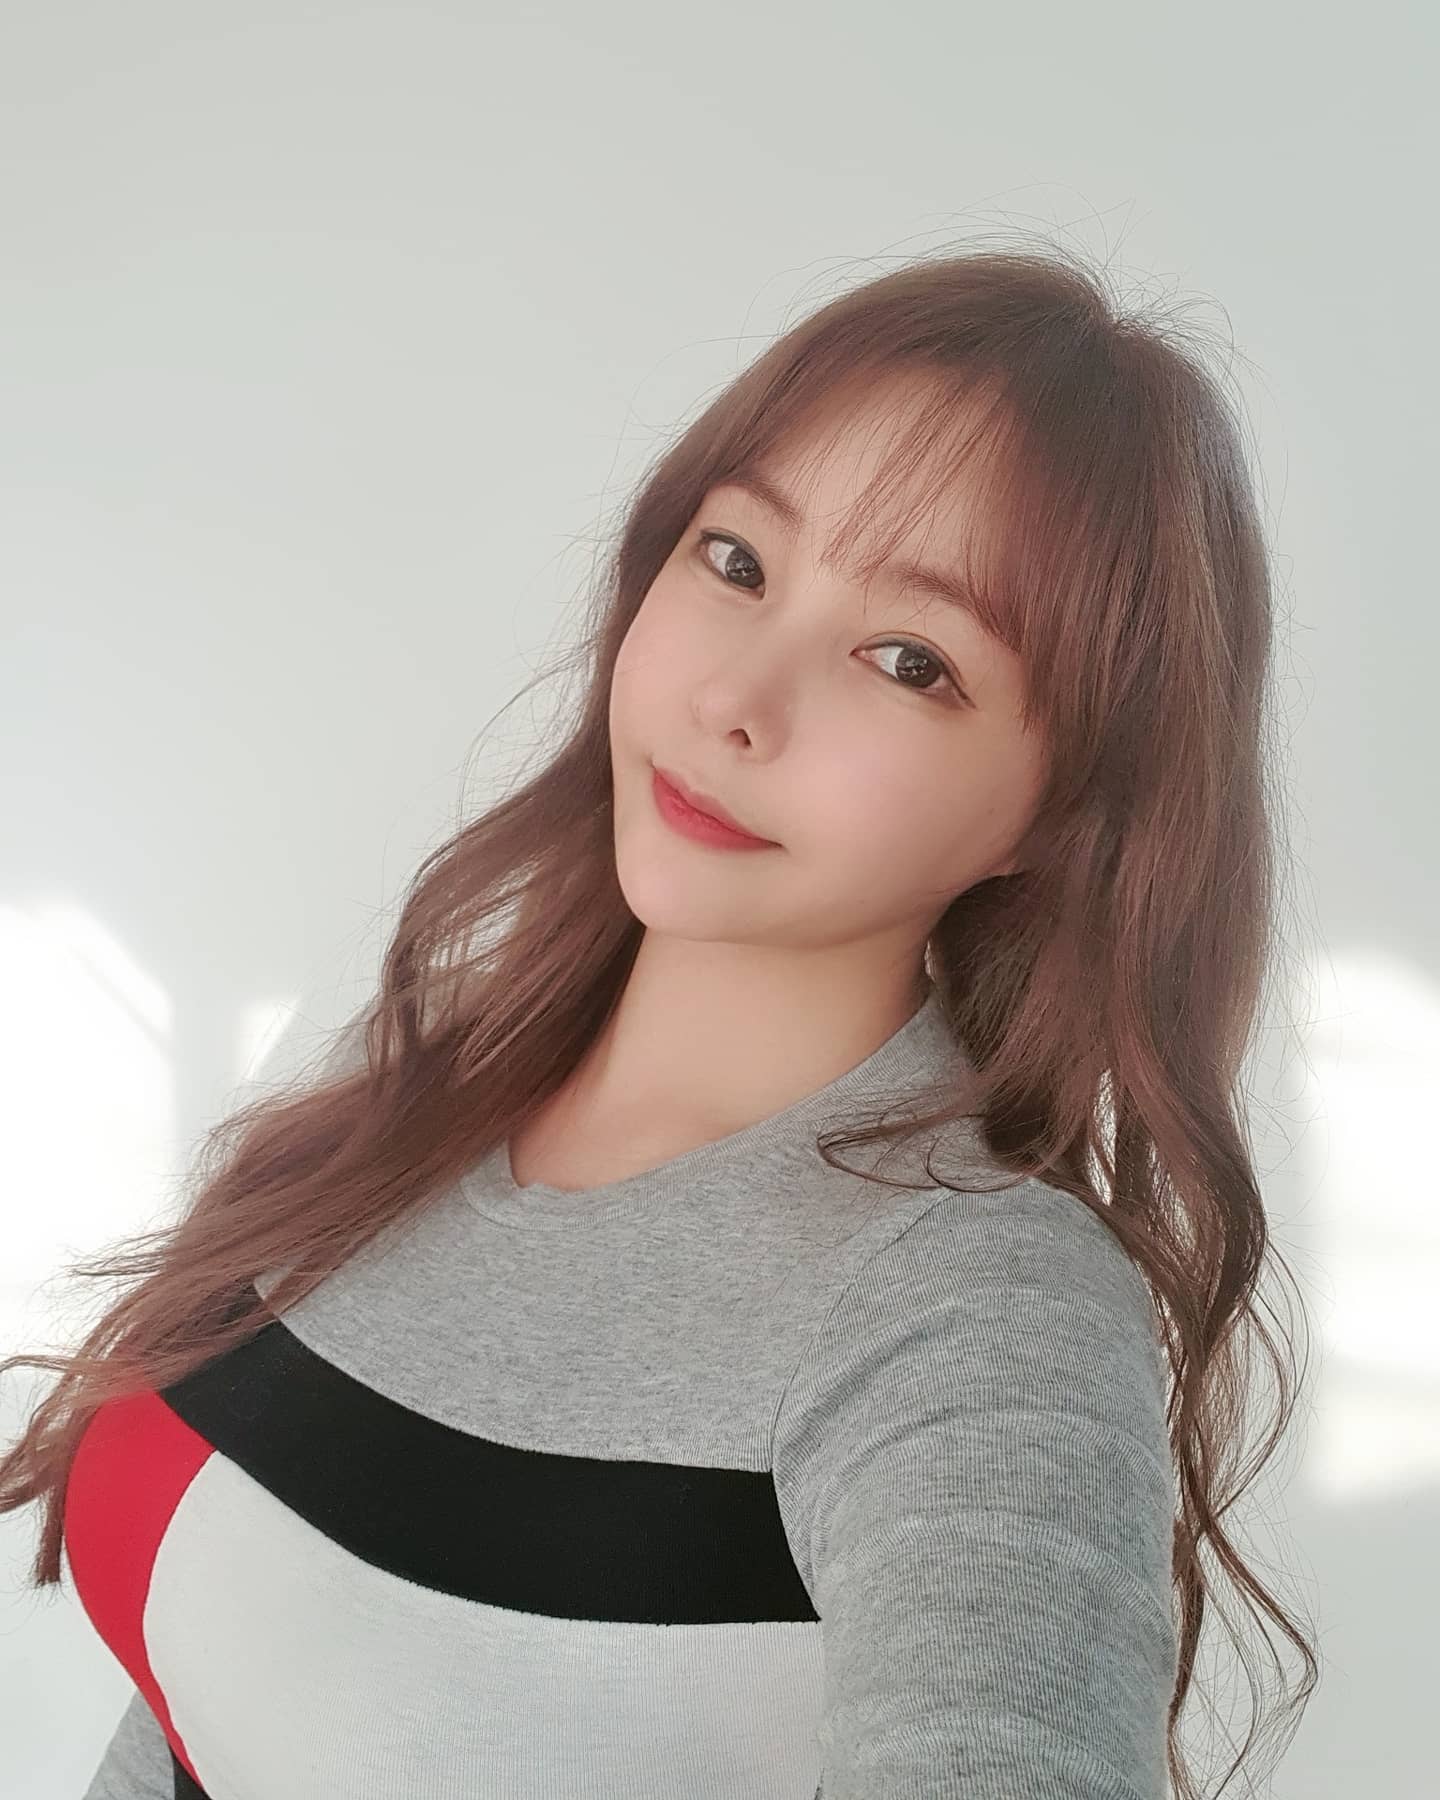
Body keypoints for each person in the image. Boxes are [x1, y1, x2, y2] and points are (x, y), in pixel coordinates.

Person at [1, 245, 1317, 1800]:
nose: (734, 701)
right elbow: (203, 1708)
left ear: (1063, 811)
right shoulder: (427, 1086)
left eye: (911, 661)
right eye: (738, 560)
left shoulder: (972, 1302)